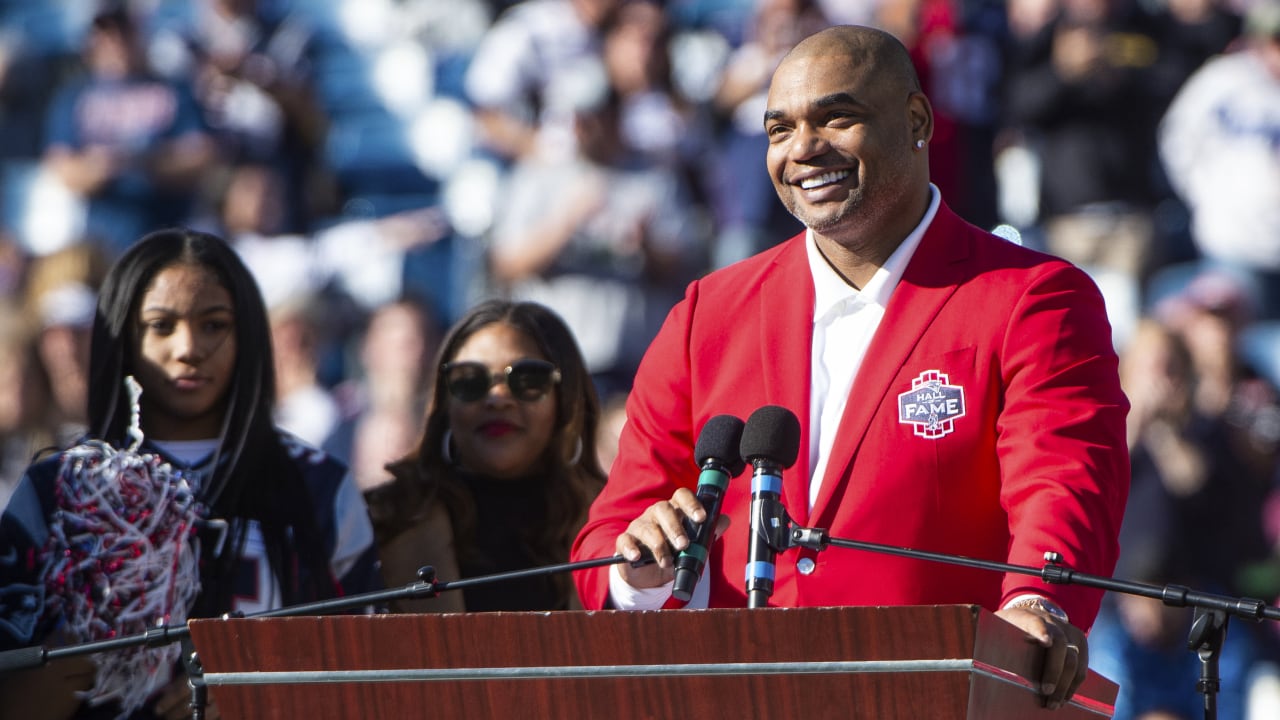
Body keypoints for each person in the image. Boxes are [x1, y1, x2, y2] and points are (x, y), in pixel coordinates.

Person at [570, 24, 1130, 710]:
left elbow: (1061, 478)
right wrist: (639, 573)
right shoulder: (705, 314)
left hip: (940, 697)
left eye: (837, 117)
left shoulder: (1030, 297)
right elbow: (611, 532)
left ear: (916, 120)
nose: (803, 148)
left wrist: (1038, 600)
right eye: (779, 129)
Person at [0, 228, 380, 719]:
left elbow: (377, 673)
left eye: (214, 324)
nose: (188, 348)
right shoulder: (57, 490)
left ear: (248, 334)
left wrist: (267, 686)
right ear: (122, 335)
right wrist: (84, 642)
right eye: (161, 325)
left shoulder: (319, 485)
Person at [363, 299, 606, 613]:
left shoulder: (612, 521)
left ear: (567, 397)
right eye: (470, 379)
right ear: (444, 399)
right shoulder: (383, 519)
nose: (497, 398)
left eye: (527, 379)